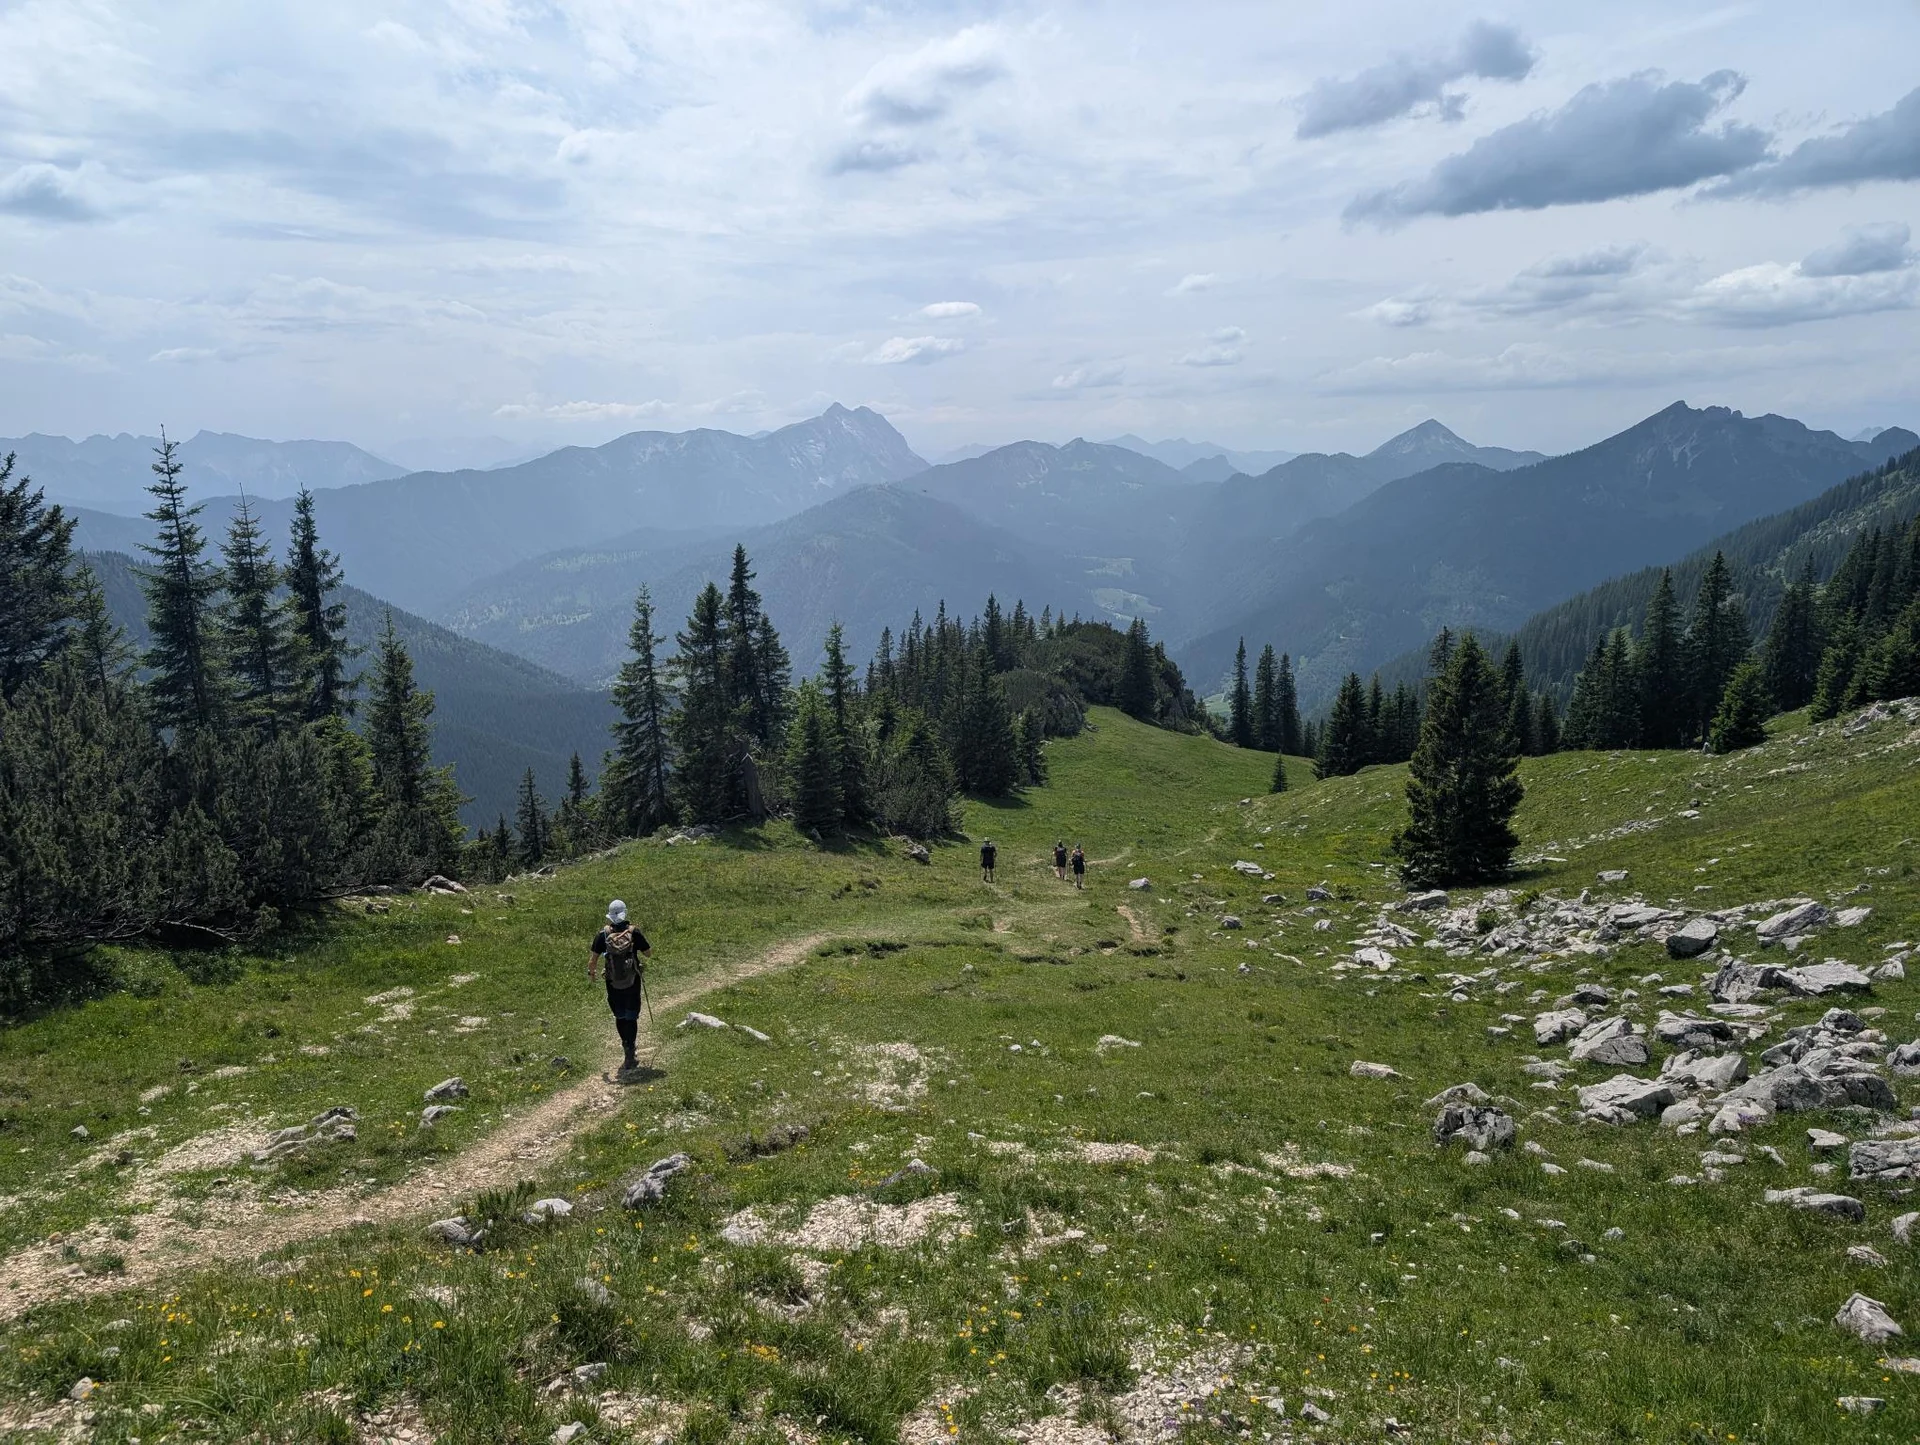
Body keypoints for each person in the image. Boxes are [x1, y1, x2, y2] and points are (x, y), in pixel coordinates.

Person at [589, 899, 651, 1072]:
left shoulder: (603, 934)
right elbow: (648, 953)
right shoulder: (634, 932)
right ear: (625, 913)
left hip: (612, 982)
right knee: (632, 1016)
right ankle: (630, 1051)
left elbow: (593, 960)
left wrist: (591, 973)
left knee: (620, 1016)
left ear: (610, 916)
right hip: (632, 981)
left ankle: (626, 1046)